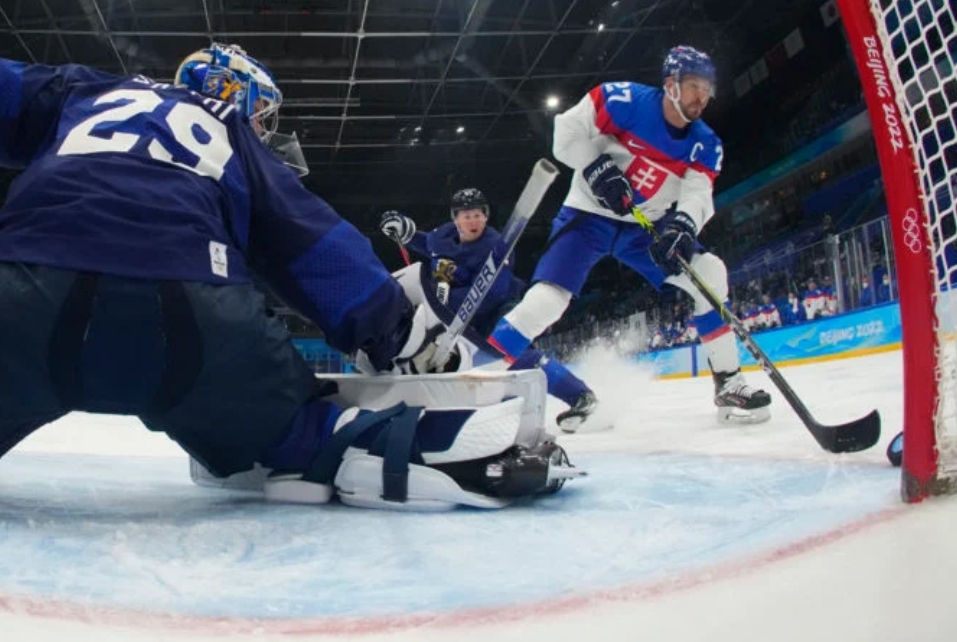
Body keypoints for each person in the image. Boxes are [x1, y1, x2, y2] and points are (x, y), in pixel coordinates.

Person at [0, 44, 578, 511]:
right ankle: (419, 445)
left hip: (19, 295)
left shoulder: (85, 90)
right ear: (233, 94)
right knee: (302, 428)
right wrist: (395, 333)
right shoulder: (230, 128)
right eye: (263, 111)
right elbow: (313, 248)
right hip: (187, 315)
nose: (266, 126)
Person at [487, 45, 772, 423]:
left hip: (645, 228)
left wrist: (685, 225)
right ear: (670, 84)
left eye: (707, 89)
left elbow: (698, 193)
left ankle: (728, 383)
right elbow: (566, 131)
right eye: (693, 86)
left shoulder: (705, 143)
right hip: (588, 215)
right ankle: (482, 379)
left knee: (712, 272)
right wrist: (595, 167)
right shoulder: (622, 100)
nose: (701, 97)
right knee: (546, 303)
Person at [378, 188, 598, 433]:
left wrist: (442, 304)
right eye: (466, 215)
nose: (473, 221)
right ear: (456, 218)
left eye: (478, 215)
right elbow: (429, 245)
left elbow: (493, 293)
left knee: (510, 355)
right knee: (476, 369)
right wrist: (404, 231)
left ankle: (580, 396)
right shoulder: (443, 236)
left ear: (486, 217)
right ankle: (496, 416)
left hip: (501, 306)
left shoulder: (496, 246)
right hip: (463, 316)